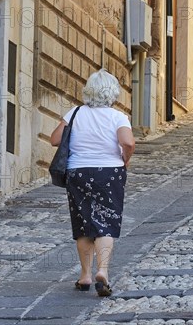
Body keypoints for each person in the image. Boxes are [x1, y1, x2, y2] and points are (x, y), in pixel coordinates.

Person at [50, 69, 135, 297]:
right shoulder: (118, 117)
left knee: (83, 223)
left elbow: (55, 139)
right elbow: (128, 142)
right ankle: (103, 272)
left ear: (89, 91)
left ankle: (85, 275)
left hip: (78, 172)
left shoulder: (75, 113)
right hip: (109, 172)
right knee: (106, 221)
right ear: (113, 92)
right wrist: (125, 160)